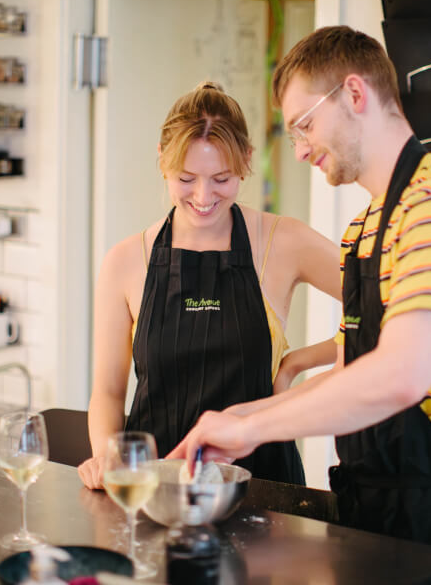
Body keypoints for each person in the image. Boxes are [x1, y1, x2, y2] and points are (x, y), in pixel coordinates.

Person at [169, 26, 431, 550]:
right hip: (373, 501)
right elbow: (352, 371)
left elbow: (400, 376)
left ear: (355, 94)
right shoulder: (366, 230)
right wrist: (246, 414)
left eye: (305, 125)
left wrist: (254, 430)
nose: (303, 150)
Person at [77, 82, 341, 490]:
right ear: (161, 160)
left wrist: (298, 361)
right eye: (186, 178)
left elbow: (386, 304)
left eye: (221, 178)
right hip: (156, 487)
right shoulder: (125, 261)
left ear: (246, 161)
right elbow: (109, 392)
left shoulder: (283, 242)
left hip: (262, 486)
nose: (203, 196)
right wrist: (105, 456)